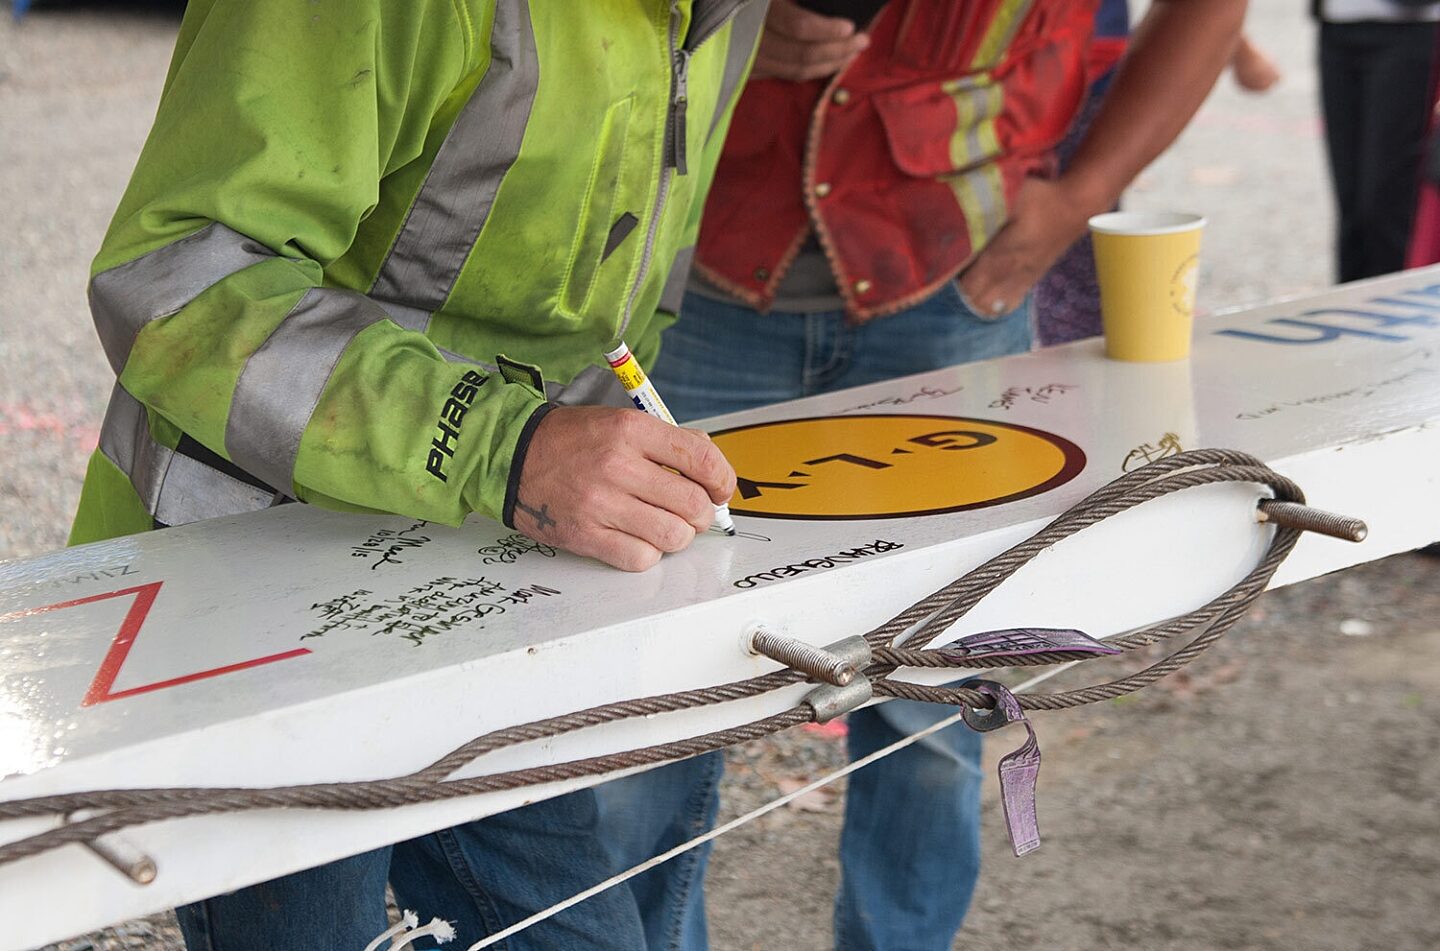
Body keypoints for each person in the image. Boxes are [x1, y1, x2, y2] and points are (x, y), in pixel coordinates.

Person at [68, 1, 764, 948]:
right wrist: (506, 446)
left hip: (503, 570)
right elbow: (174, 285)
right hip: (255, 582)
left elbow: (641, 281)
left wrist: (578, 460)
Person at [595, 2, 1245, 950]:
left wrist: (1082, 197)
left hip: (950, 295)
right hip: (686, 292)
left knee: (936, 712)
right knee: (651, 714)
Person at [1316, 0, 1439, 282]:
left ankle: (1398, 312)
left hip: (1411, 26)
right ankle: (1348, 308)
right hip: (1337, 24)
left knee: (1386, 201)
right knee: (1351, 205)